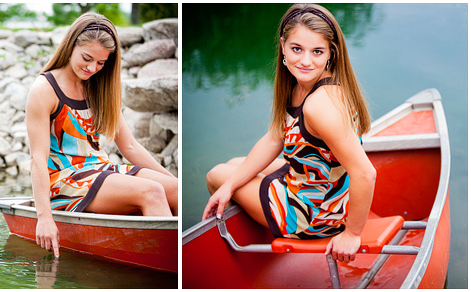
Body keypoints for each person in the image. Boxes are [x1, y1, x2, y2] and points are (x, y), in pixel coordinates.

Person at [202, 3, 376, 264]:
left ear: (331, 53)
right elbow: (275, 137)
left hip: (314, 215)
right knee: (234, 167)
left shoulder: (320, 105)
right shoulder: (301, 85)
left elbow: (365, 173)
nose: (305, 61)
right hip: (312, 182)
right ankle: (264, 216)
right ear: (283, 46)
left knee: (216, 175)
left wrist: (353, 234)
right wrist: (233, 184)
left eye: (317, 51)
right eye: (297, 49)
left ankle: (265, 248)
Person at [25, 12, 178, 258]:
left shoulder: (99, 85)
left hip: (101, 169)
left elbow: (130, 146)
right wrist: (44, 218)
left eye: (101, 63)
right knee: (152, 191)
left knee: (172, 188)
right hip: (65, 179)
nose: (92, 68)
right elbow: (37, 160)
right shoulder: (44, 90)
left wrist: (173, 182)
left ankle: (179, 262)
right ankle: (167, 265)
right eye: (87, 58)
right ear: (71, 45)